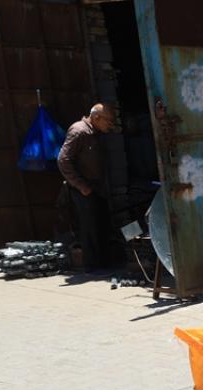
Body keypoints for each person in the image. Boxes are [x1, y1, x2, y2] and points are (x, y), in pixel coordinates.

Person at [58, 103, 115, 270]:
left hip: (97, 187)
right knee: (90, 228)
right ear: (96, 118)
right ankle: (92, 266)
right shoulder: (79, 131)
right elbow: (63, 160)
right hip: (84, 190)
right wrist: (81, 186)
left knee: (101, 225)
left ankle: (103, 263)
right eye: (108, 121)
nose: (110, 125)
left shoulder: (94, 133)